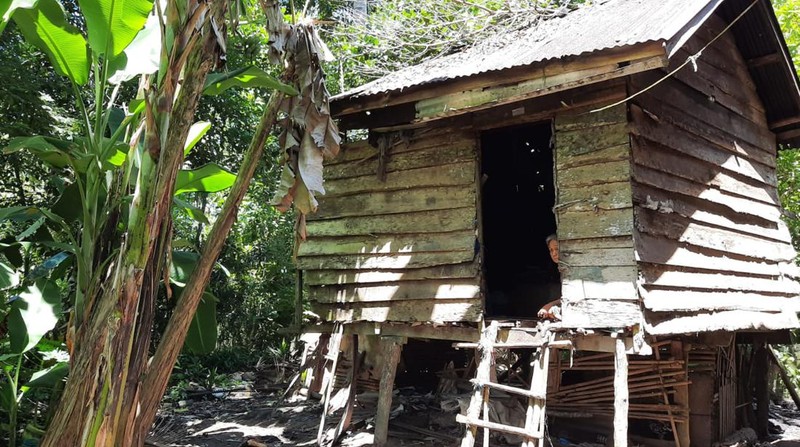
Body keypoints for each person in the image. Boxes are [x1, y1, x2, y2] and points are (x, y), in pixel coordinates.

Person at [537, 234, 561, 320]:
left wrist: (548, 306)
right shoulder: (556, 269)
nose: (554, 253)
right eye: (551, 250)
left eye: (557, 249)